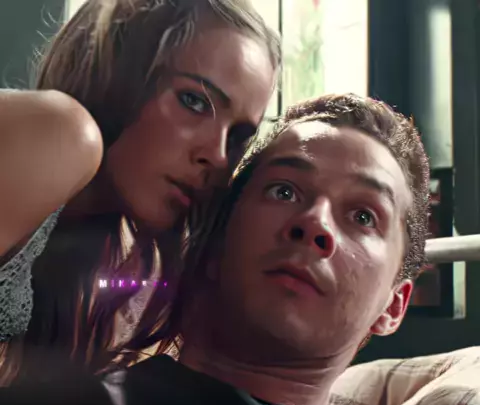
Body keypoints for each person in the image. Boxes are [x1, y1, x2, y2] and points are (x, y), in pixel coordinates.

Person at [0, 93, 429, 405]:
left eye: (363, 217)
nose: (315, 223)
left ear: (394, 306)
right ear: (213, 244)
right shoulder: (60, 391)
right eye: (284, 191)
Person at [0, 0, 280, 384]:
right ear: (118, 70)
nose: (217, 156)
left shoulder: (97, 253)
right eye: (194, 101)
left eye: (237, 137)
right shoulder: (62, 133)